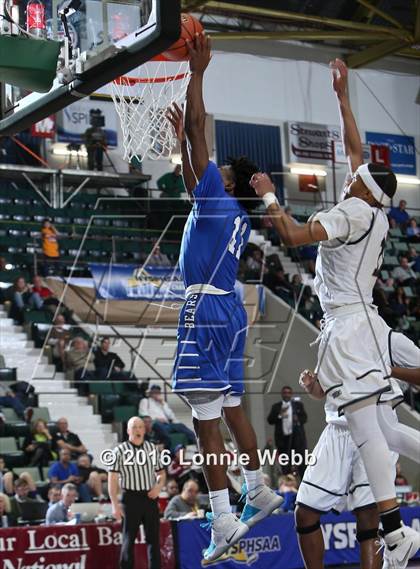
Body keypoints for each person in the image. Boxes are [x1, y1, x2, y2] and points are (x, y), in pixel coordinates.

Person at [252, 57, 420, 566]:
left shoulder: (351, 210)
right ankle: (395, 536)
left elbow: (293, 236)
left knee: (370, 429)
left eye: (356, 178)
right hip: (351, 322)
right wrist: (342, 96)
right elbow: (354, 150)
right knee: (383, 431)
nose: (349, 178)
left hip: (350, 323)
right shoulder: (371, 207)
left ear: (365, 189)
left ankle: (395, 537)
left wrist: (268, 197)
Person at [166, 33, 282, 562]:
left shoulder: (219, 199)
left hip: (206, 308)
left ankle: (225, 519)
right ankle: (255, 485)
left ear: (225, 181)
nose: (207, 170)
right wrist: (180, 144)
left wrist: (198, 70)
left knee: (202, 417)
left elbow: (197, 130)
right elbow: (192, 168)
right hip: (229, 309)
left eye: (217, 171)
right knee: (232, 405)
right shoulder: (224, 208)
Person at [295, 325, 420, 569]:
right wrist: (312, 386)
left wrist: (389, 369)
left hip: (376, 425)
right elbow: (323, 391)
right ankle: (398, 539)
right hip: (337, 431)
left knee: (368, 517)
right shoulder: (330, 334)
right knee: (304, 512)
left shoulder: (385, 335)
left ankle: (396, 540)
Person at [108, 416, 166, 569]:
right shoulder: (119, 451)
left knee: (153, 540)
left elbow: (161, 473)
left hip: (149, 496)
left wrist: (158, 487)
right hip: (130, 498)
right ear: (128, 430)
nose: (138, 430)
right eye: (134, 427)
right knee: (129, 539)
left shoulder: (151, 449)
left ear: (145, 430)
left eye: (140, 427)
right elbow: (112, 480)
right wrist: (115, 504)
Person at [267, 386, 308, 478]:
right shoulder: (276, 407)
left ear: (291, 394)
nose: (287, 394)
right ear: (282, 394)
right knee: (285, 463)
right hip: (283, 440)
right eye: (285, 392)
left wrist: (297, 419)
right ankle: (287, 482)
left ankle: (304, 483)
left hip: (297, 439)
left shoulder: (297, 405)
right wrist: (279, 415)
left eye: (289, 393)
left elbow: (304, 418)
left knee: (301, 462)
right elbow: (270, 420)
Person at [138, 385, 196, 449]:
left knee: (180, 426)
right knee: (158, 425)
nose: (156, 394)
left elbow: (171, 416)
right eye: (154, 392)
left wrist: (162, 404)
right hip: (154, 424)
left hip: (167, 425)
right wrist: (156, 419)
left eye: (158, 392)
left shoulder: (162, 403)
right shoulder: (145, 401)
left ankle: (196, 441)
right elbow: (143, 414)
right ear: (150, 392)